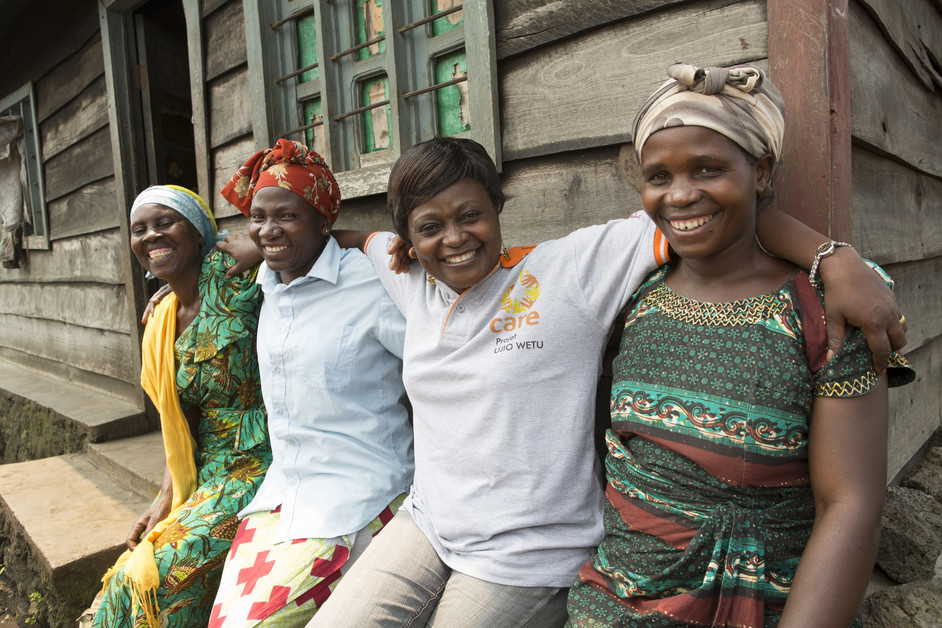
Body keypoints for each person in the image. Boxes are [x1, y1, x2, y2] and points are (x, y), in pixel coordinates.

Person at [306, 134, 907, 627]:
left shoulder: (568, 272)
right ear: (409, 239)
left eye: (471, 216)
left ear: (497, 210)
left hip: (527, 550)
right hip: (429, 524)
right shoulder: (411, 280)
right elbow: (363, 238)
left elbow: (698, 217)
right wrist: (285, 244)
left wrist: (834, 258)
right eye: (429, 227)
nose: (455, 238)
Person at [565, 64, 915, 628]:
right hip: (608, 602)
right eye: (659, 176)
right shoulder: (637, 295)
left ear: (761, 170)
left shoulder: (824, 309)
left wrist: (835, 259)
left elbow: (850, 506)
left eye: (709, 168)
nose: (680, 195)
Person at [204, 139, 413, 627]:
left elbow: (437, 362)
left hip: (361, 494)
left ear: (325, 222)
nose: (268, 230)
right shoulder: (269, 286)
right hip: (284, 491)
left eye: (287, 217)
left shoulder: (373, 283)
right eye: (258, 216)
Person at [92, 186, 272, 628]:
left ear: (199, 233)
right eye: (140, 230)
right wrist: (167, 494)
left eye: (165, 223)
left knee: (158, 577)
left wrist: (263, 250)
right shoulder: (162, 318)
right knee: (122, 585)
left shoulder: (241, 279)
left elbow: (306, 248)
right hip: (209, 470)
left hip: (265, 464)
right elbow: (182, 425)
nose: (151, 236)